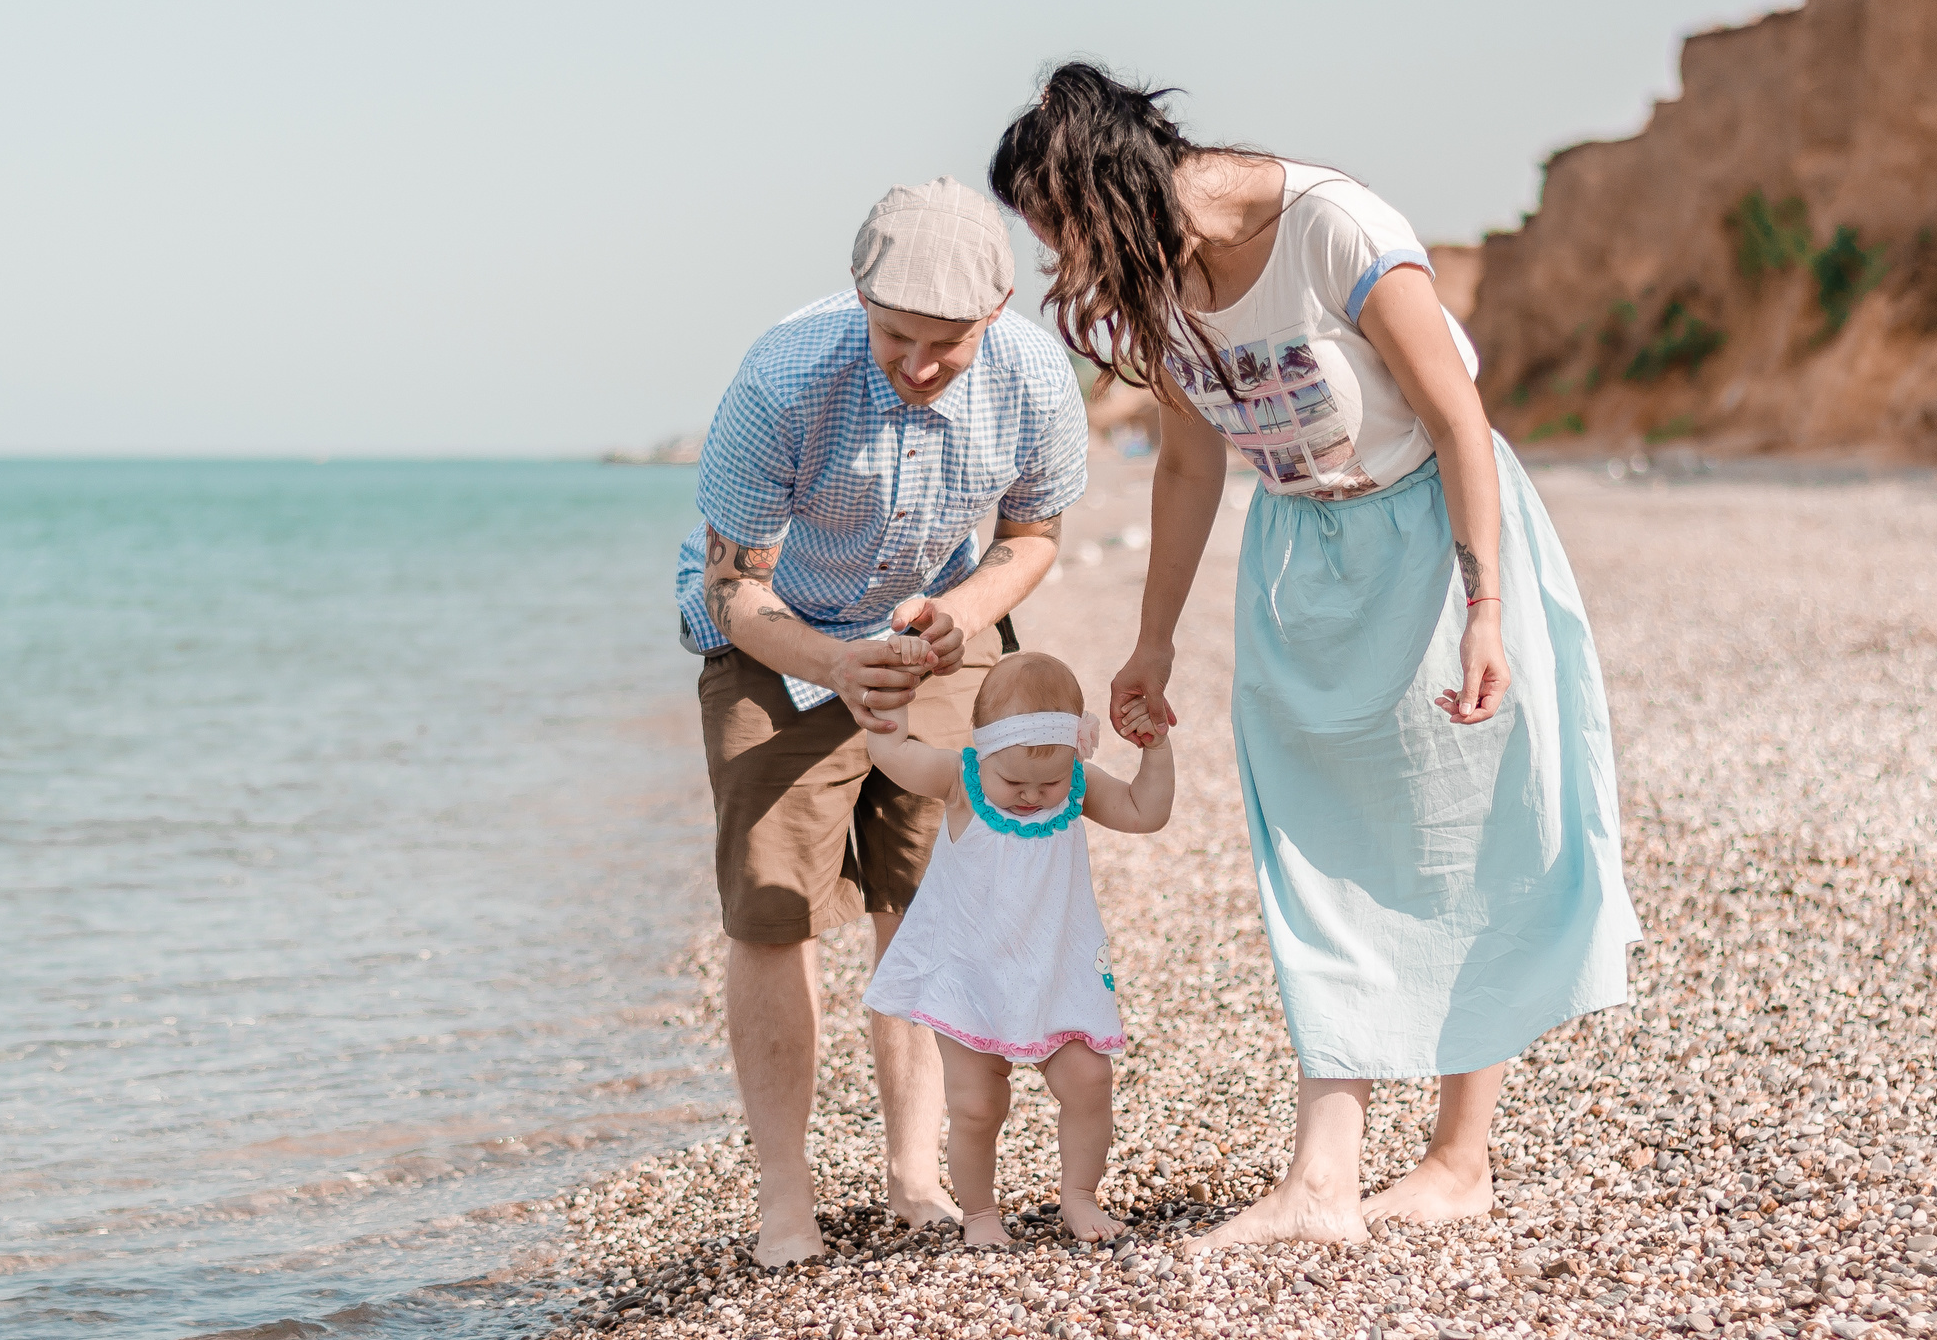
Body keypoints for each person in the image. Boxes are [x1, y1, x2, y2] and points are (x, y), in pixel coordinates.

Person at [988, 63, 1640, 1251]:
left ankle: (1457, 1160)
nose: (1061, 270)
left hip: (1434, 535)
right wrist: (1151, 642)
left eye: (1058, 235)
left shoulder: (1335, 228)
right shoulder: (1155, 279)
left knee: (1463, 831)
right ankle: (1325, 1178)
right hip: (1301, 558)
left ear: (1106, 188)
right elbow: (1188, 465)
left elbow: (1455, 418)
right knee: (1315, 848)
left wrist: (1486, 605)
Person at [674, 178, 1089, 1266]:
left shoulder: (1037, 376)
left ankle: (915, 1177)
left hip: (939, 629)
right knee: (773, 912)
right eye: (896, 336)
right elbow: (730, 588)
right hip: (780, 641)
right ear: (860, 297)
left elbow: (1033, 536)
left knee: (926, 895)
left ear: (994, 315)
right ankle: (785, 1202)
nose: (918, 364)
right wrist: (832, 665)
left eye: (946, 344)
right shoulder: (782, 378)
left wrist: (960, 616)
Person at [859, 653, 1176, 1249]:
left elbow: (1145, 812)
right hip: (970, 977)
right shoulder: (962, 778)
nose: (1032, 795)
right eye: (1015, 783)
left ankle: (1079, 1195)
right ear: (982, 754)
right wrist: (891, 702)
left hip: (1057, 970)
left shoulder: (1076, 789)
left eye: (1048, 782)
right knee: (977, 1102)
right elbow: (892, 753)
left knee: (1089, 1079)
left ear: (1072, 759)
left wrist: (1154, 749)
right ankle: (979, 1213)